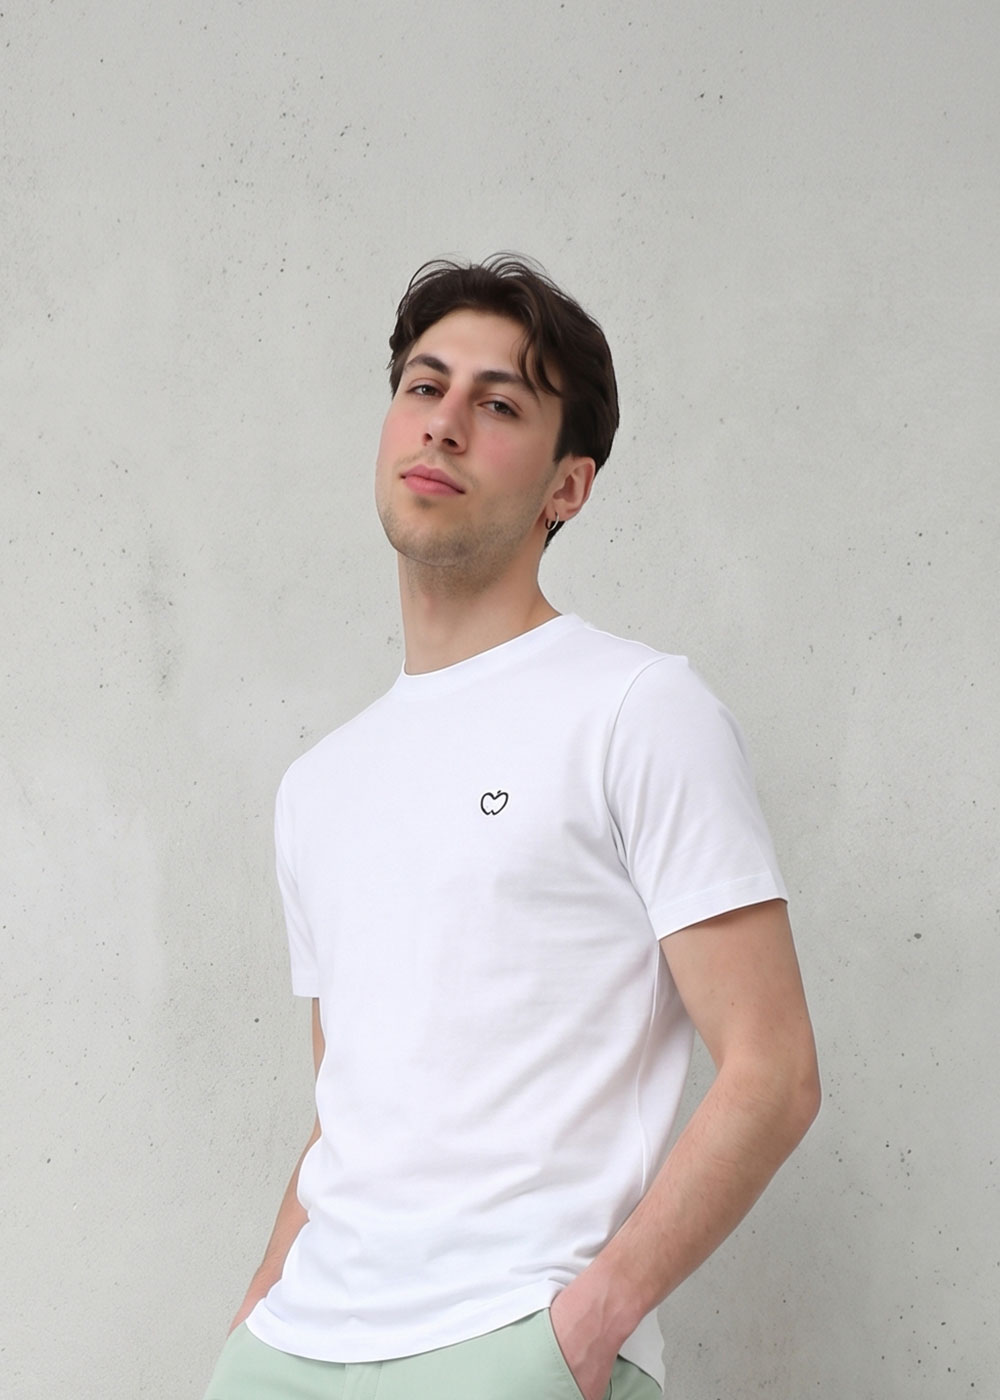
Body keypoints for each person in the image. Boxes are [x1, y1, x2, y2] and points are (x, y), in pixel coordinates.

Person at [203, 255, 820, 1400]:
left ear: (566, 486)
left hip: (508, 1342)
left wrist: (586, 1324)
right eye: (423, 387)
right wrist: (255, 1316)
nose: (442, 425)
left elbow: (773, 1068)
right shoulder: (319, 782)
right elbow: (355, 1102)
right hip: (288, 1351)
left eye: (497, 405)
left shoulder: (638, 708)